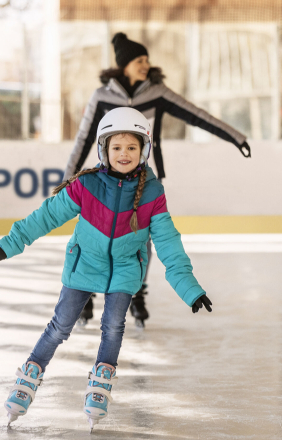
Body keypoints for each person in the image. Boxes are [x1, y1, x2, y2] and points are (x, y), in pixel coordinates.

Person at [0, 107, 213, 431]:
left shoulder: (152, 193)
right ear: (104, 150)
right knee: (60, 326)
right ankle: (30, 374)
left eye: (132, 147)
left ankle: (101, 382)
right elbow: (46, 216)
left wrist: (190, 289)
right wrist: (8, 244)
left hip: (125, 271)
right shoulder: (86, 185)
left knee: (113, 326)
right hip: (84, 264)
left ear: (143, 149)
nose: (124, 154)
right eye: (116, 147)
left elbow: (169, 244)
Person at [66, 32, 250, 328]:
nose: (146, 64)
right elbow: (84, 139)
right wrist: (67, 181)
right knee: (95, 234)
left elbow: (197, 115)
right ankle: (86, 294)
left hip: (144, 182)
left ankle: (136, 293)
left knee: (142, 237)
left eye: (147, 59)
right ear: (125, 65)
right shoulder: (102, 97)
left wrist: (236, 137)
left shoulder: (157, 93)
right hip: (105, 181)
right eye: (140, 60)